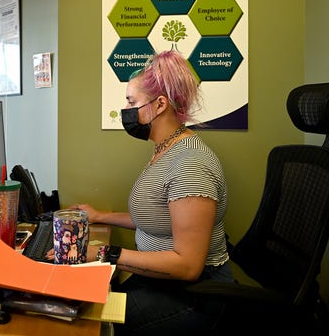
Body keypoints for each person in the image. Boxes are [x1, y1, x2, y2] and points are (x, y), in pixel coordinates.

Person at [71, 50, 232, 334]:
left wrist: (105, 253)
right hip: (159, 282)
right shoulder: (165, 149)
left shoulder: (190, 164)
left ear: (159, 105)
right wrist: (101, 216)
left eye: (132, 102)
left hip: (194, 294)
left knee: (91, 322)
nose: (127, 111)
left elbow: (188, 265)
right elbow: (159, 216)